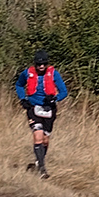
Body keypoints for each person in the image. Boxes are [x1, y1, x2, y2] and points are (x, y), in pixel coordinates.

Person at [14, 50, 68, 179]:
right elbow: (19, 85)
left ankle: (40, 160)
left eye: (44, 64)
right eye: (39, 64)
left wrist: (55, 99)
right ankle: (42, 169)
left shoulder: (54, 74)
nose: (41, 67)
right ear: (35, 64)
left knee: (45, 139)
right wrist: (23, 99)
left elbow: (64, 91)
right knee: (37, 135)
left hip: (49, 109)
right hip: (33, 107)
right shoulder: (27, 73)